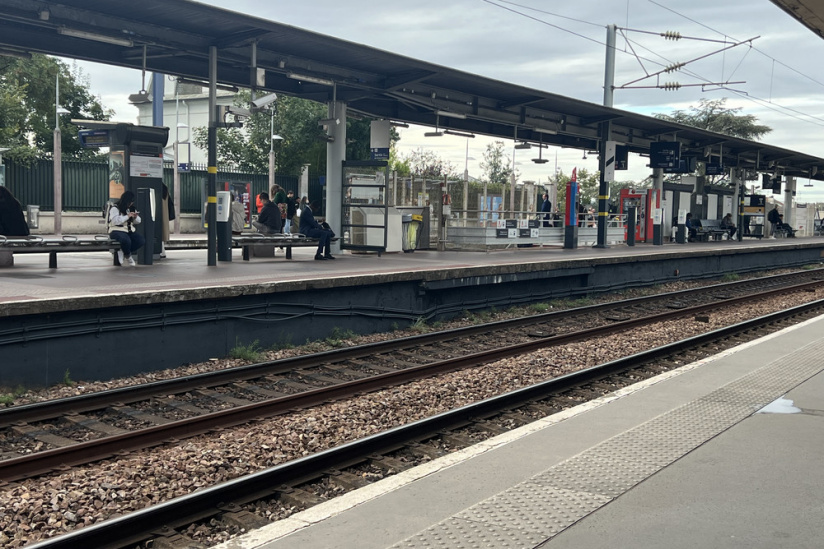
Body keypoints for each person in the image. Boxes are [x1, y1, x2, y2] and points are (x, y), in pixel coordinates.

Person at [108, 190, 144, 266]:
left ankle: (123, 250)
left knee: (140, 240)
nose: (131, 204)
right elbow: (115, 221)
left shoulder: (131, 208)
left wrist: (135, 217)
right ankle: (128, 256)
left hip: (128, 230)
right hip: (116, 230)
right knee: (125, 240)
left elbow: (138, 221)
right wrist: (127, 216)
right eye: (130, 202)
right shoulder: (115, 208)